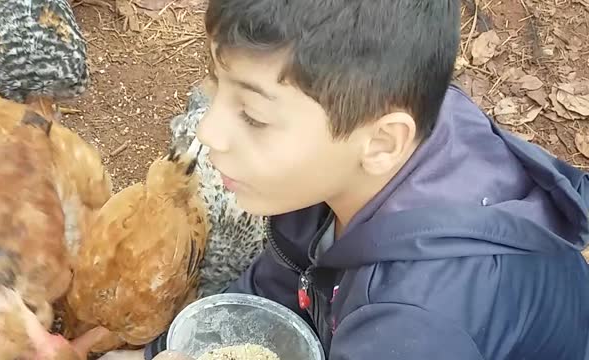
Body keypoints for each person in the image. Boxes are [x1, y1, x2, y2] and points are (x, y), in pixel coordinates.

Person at [94, 0, 589, 359]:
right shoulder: (355, 154)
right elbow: (274, 286)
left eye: (253, 114)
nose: (208, 130)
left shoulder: (414, 324)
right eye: (215, 84)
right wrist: (151, 353)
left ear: (381, 142)